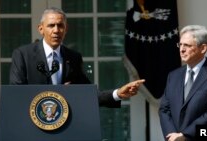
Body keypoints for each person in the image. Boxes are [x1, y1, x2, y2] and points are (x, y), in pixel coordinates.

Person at [9, 7, 145, 108]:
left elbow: (88, 94)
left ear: (66, 29)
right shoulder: (22, 55)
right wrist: (59, 93)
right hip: (32, 126)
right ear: (41, 29)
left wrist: (118, 93)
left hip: (64, 128)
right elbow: (17, 95)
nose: (56, 30)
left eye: (60, 26)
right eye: (51, 25)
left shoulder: (73, 57)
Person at [158, 25, 207, 141]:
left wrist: (185, 135)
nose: (181, 49)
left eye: (187, 45)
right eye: (180, 44)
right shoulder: (173, 76)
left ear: (203, 48)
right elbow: (164, 109)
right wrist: (172, 136)